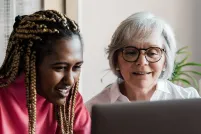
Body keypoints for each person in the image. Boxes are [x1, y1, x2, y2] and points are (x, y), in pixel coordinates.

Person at [85, 11, 200, 113]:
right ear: (116, 60)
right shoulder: (92, 111)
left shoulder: (189, 100)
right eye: (131, 53)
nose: (142, 62)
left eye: (152, 53)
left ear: (165, 61)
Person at [0, 10, 90, 134]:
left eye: (76, 67)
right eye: (60, 68)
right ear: (29, 64)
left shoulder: (70, 103)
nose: (70, 80)